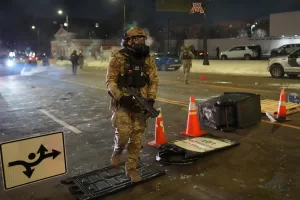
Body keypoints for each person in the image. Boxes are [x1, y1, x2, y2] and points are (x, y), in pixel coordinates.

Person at [106, 27, 158, 182]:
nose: (140, 42)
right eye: (136, 39)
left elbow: (154, 80)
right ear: (128, 41)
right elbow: (110, 81)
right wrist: (121, 97)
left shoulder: (148, 59)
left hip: (141, 105)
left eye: (142, 39)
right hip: (124, 102)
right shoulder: (119, 57)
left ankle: (131, 169)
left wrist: (150, 99)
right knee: (123, 134)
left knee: (136, 139)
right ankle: (117, 150)